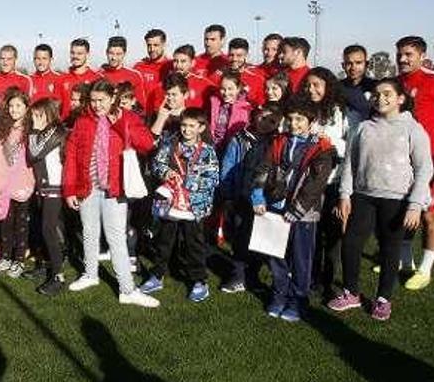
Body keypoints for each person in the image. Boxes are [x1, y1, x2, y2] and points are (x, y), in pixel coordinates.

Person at [329, 78, 433, 321]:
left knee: (389, 249)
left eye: (387, 93)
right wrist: (345, 194)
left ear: (400, 99)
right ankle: (351, 292)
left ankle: (383, 298)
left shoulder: (413, 129)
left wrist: (415, 205)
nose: (380, 98)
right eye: (376, 94)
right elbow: (350, 165)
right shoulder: (363, 127)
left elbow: (424, 169)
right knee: (351, 243)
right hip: (364, 196)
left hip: (396, 200)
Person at [62, 79, 159, 308]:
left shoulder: (127, 116)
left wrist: (120, 122)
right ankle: (90, 274)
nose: (96, 105)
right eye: (93, 100)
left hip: (115, 188)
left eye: (101, 100)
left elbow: (147, 144)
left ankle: (127, 289)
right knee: (89, 232)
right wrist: (69, 189)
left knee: (116, 238)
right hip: (88, 187)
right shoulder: (83, 120)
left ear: (113, 97)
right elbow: (72, 155)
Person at [250, 99, 335, 321]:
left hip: (303, 213)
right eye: (290, 119)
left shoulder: (323, 148)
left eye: (299, 119)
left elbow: (317, 183)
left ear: (311, 121)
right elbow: (264, 167)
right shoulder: (280, 141)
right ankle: (279, 294)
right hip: (276, 206)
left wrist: (298, 208)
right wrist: (258, 194)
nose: (294, 123)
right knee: (275, 254)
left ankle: (298, 299)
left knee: (301, 258)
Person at [141, 108, 220, 302]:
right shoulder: (170, 143)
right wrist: (166, 172)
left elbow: (213, 177)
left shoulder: (208, 150)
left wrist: (188, 184)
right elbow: (157, 164)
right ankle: (157, 275)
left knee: (194, 244)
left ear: (201, 128)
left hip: (194, 206)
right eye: (184, 125)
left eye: (191, 126)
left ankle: (199, 280)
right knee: (164, 241)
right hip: (170, 204)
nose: (186, 130)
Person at [218, 102, 284, 292]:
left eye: (272, 121)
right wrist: (228, 194)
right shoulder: (240, 139)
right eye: (263, 117)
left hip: (266, 201)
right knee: (240, 238)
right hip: (241, 197)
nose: (265, 123)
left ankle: (253, 277)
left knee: (261, 241)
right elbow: (228, 167)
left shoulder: (279, 142)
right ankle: (238, 276)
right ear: (256, 114)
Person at [301, 67, 350, 297]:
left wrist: (327, 140)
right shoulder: (302, 109)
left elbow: (348, 146)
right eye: (308, 85)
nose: (311, 90)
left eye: (316, 85)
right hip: (308, 182)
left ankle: (329, 281)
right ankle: (310, 276)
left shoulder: (339, 112)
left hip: (331, 181)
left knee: (331, 235)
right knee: (310, 233)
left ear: (327, 86)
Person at [396, 36, 434, 290]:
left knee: (429, 216)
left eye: (408, 54)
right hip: (404, 161)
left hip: (432, 161)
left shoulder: (433, 81)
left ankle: (425, 269)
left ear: (421, 55)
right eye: (400, 54)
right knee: (404, 211)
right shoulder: (397, 83)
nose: (402, 59)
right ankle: (405, 261)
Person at [0, 89, 35, 278]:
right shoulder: (3, 130)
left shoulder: (30, 130)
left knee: (21, 224)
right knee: (5, 223)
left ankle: (19, 260)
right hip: (4, 184)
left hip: (24, 184)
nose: (14, 110)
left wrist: (31, 182)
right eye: (11, 106)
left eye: (18, 106)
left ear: (26, 108)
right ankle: (6, 257)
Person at [27, 97, 67, 296]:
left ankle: (58, 276)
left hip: (55, 187)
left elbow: (34, 153)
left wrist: (34, 130)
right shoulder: (44, 132)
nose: (34, 119)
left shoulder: (57, 130)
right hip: (43, 187)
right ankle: (44, 264)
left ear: (49, 114)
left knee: (48, 230)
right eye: (32, 115)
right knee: (41, 229)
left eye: (38, 115)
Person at [146, 45, 214, 114]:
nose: (178, 65)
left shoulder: (204, 84)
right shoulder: (163, 85)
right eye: (175, 61)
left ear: (193, 63)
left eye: (183, 61)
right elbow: (155, 110)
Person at [214, 38, 266, 106]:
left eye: (239, 56)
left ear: (247, 56)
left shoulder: (257, 77)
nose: (234, 59)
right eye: (231, 55)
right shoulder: (219, 75)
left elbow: (261, 102)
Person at [209, 71, 252, 153]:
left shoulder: (244, 107)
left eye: (230, 89)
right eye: (223, 89)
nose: (226, 93)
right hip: (214, 145)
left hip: (232, 148)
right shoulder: (215, 102)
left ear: (238, 89)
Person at [100, 36, 147, 108]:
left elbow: (141, 107)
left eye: (118, 54)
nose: (114, 58)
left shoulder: (134, 75)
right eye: (111, 53)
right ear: (106, 52)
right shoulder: (99, 75)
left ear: (124, 54)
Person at [58, 38, 101, 117]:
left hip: (89, 126)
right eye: (72, 53)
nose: (75, 56)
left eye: (79, 53)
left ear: (87, 54)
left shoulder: (97, 78)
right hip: (66, 126)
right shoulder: (61, 79)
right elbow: (56, 107)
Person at [339, 44, 377, 122]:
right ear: (343, 66)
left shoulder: (376, 87)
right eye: (349, 63)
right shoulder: (336, 88)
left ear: (366, 64)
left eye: (358, 63)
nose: (353, 67)